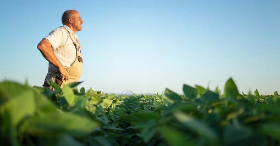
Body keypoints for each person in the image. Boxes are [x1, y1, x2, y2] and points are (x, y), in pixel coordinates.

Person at [37, 10, 84, 87]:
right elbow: (43, 46)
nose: (82, 21)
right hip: (58, 83)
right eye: (79, 18)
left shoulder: (74, 38)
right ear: (70, 20)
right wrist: (60, 66)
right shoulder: (61, 32)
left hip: (69, 85)